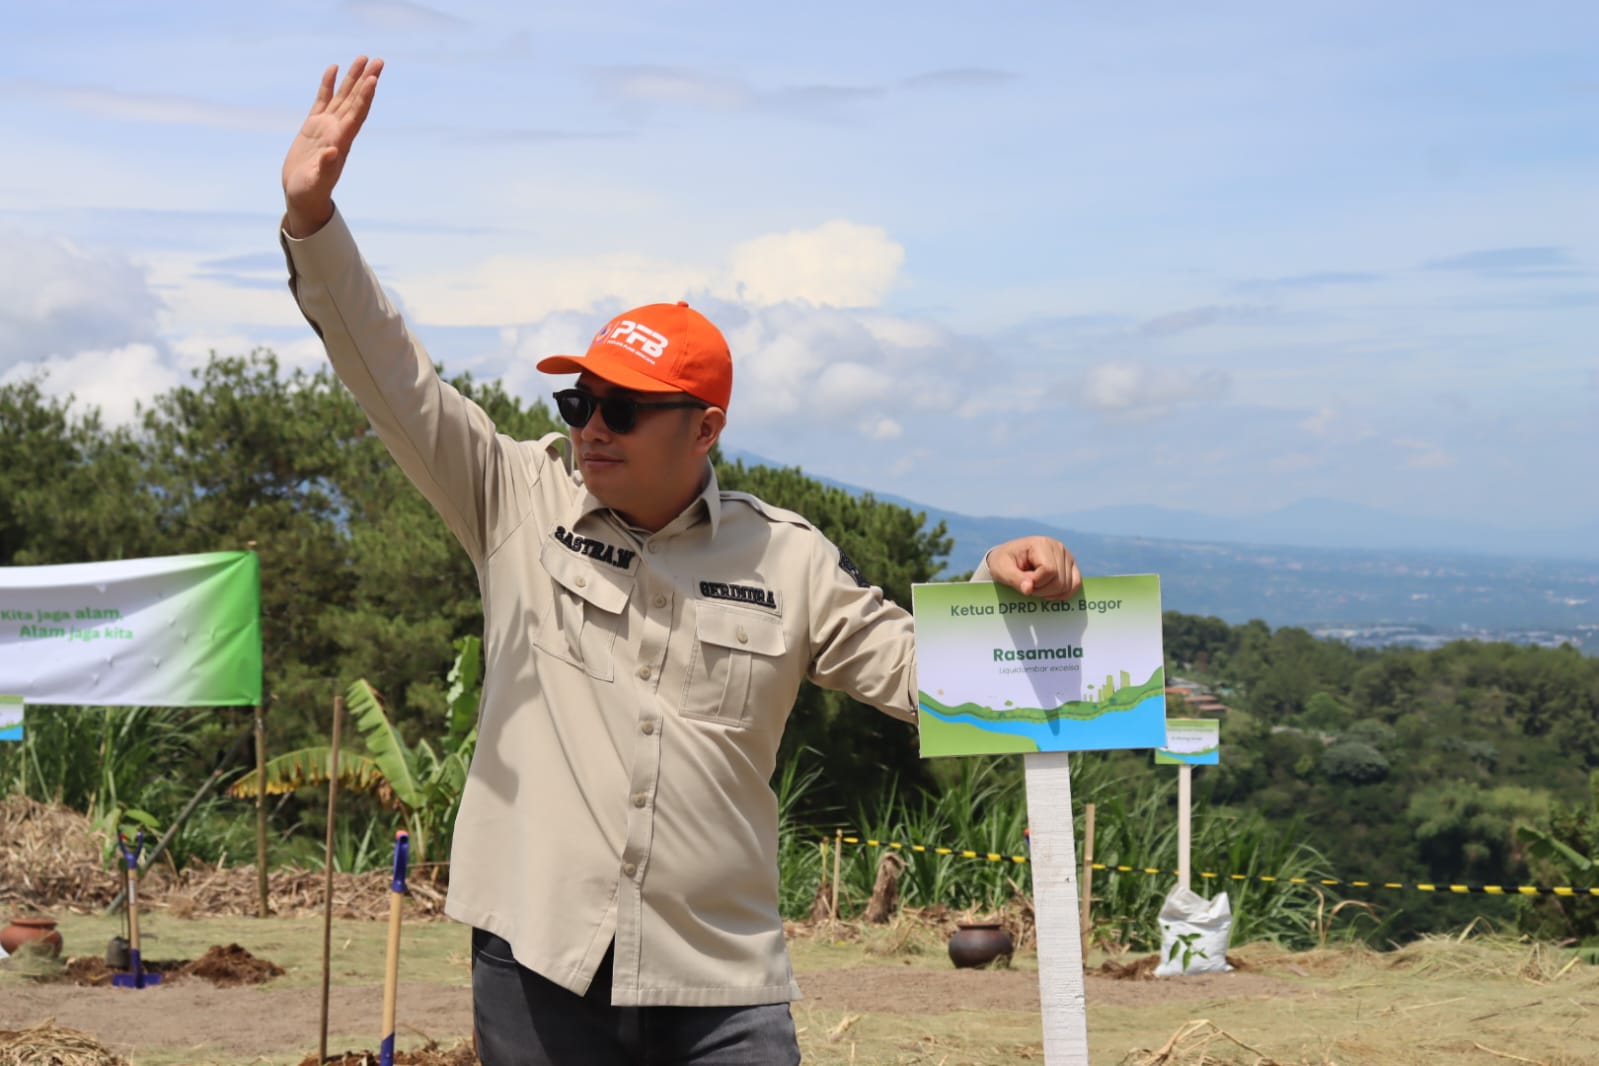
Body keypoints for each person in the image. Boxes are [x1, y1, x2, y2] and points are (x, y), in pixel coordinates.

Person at [280, 56, 1082, 1066]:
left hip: (719, 981)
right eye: (580, 401)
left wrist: (1010, 588)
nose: (590, 427)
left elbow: (923, 674)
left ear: (704, 429)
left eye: (621, 408)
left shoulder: (787, 558)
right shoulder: (512, 497)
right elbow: (392, 375)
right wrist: (314, 220)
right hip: (539, 961)